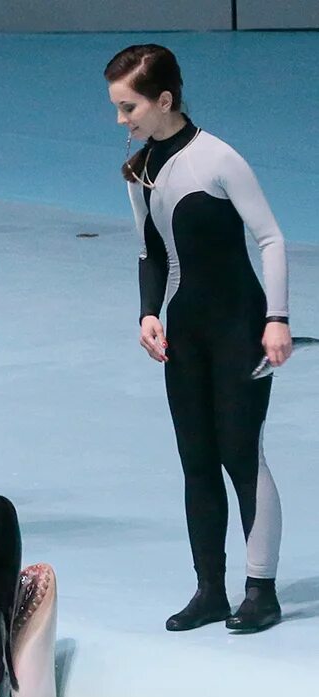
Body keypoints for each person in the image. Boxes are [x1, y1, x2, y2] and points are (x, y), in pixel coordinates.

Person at [105, 44, 292, 633]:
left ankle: (260, 590)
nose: (121, 120)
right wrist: (147, 314)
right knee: (196, 464)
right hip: (184, 336)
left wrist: (278, 318)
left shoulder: (218, 159)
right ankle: (210, 589)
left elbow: (271, 240)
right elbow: (151, 252)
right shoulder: (139, 171)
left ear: (164, 100)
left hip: (240, 328)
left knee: (242, 455)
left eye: (128, 106)